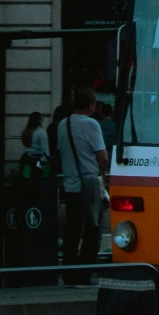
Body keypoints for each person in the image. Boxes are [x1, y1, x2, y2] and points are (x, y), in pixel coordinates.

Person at [57, 86, 109, 277]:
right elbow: (102, 157)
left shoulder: (63, 124)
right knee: (92, 229)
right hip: (88, 185)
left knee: (72, 230)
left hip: (70, 185)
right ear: (91, 105)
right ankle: (85, 271)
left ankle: (70, 271)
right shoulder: (91, 124)